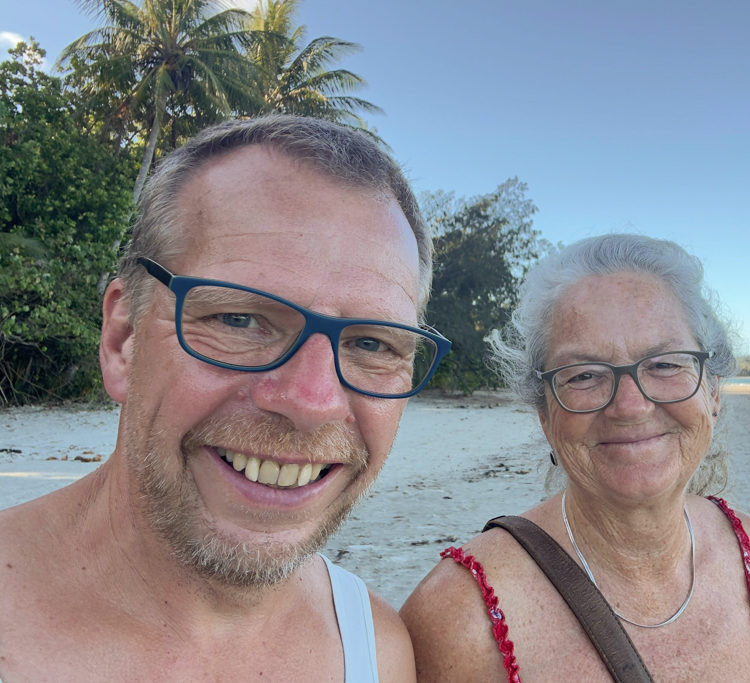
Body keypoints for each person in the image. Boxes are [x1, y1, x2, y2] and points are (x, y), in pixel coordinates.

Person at [0, 115, 450, 681]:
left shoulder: (377, 652)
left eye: (372, 343)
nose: (311, 402)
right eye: (239, 319)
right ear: (123, 340)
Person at [401, 233, 750, 681]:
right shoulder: (461, 617)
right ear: (544, 414)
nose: (630, 406)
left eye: (665, 364)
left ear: (713, 390)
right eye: (584, 375)